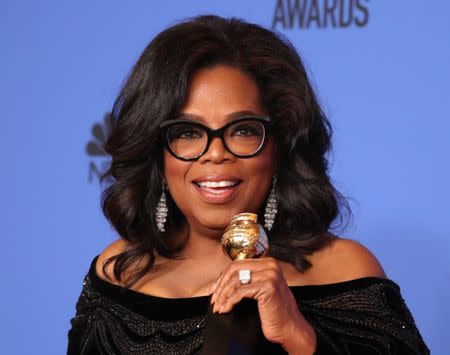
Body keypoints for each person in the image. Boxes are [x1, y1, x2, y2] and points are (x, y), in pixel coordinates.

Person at [67, 15, 429, 355]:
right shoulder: (118, 272)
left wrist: (299, 337)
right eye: (188, 132)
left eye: (242, 130)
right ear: (157, 154)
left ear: (279, 147)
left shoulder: (346, 270)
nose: (216, 154)